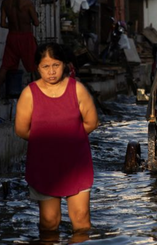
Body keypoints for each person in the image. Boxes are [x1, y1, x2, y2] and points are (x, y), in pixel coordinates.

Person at [15, 42, 99, 233]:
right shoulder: (29, 94)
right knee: (50, 221)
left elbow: (91, 122)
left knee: (81, 220)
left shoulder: (77, 89)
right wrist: (48, 141)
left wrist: (68, 137)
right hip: (44, 163)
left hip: (75, 162)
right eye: (45, 66)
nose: (51, 71)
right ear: (37, 68)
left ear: (65, 65)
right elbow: (21, 130)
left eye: (56, 65)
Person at [0, 0, 40, 99]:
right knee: (35, 67)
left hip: (12, 37)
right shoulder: (28, 3)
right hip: (26, 37)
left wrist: (14, 26)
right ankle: (44, 95)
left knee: (5, 66)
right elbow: (36, 23)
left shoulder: (5, 3)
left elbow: (3, 24)